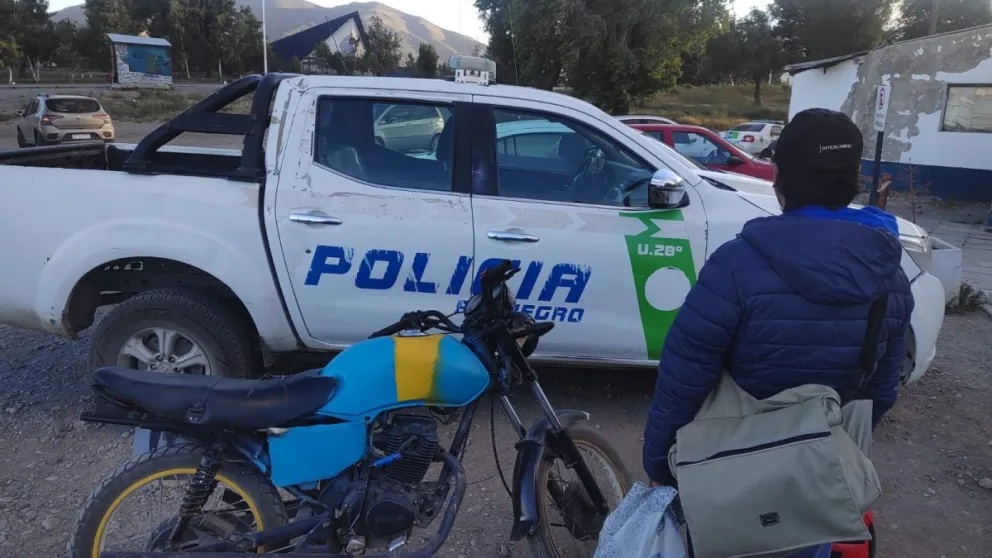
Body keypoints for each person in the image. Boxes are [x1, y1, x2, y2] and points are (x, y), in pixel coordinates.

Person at [642, 108, 914, 558]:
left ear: (779, 178)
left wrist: (659, 461)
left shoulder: (736, 265)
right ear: (853, 180)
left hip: (729, 476)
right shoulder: (891, 277)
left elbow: (684, 376)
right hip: (816, 480)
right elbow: (881, 391)